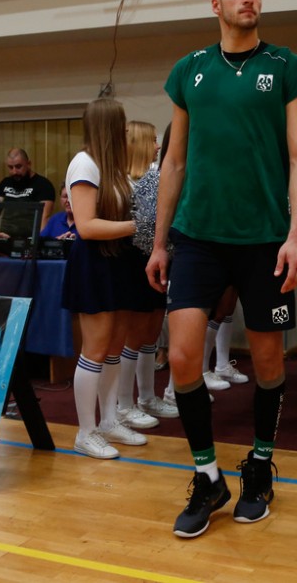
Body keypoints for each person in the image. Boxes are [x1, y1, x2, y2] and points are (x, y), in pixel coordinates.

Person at [146, 0, 297, 538]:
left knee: (268, 363)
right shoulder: (189, 70)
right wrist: (159, 242)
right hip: (197, 238)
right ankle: (207, 476)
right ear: (216, 4)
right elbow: (174, 162)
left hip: (265, 240)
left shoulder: (286, 67)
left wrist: (296, 236)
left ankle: (260, 465)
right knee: (183, 358)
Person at [63, 98, 148, 459]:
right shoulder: (84, 164)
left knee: (114, 348)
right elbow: (86, 226)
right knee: (95, 350)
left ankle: (110, 420)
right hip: (94, 264)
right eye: (122, 125)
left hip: (119, 263)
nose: (127, 131)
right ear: (108, 127)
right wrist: (139, 226)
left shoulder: (116, 170)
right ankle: (86, 432)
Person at [118, 120, 178, 428]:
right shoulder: (123, 183)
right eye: (152, 140)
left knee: (152, 331)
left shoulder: (156, 175)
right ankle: (123, 404)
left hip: (159, 258)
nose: (157, 146)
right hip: (134, 261)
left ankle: (146, 397)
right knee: (135, 334)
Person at [0, 148, 55, 239]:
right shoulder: (5, 183)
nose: (14, 171)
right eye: (10, 167)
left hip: (29, 239)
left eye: (18, 167)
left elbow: (45, 216)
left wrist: (38, 241)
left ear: (28, 164)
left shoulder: (43, 184)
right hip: (4, 237)